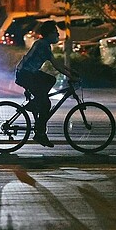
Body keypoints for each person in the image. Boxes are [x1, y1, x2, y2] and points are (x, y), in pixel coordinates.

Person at [15, 20, 78, 148]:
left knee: (50, 80)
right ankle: (40, 133)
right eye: (55, 33)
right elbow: (56, 65)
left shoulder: (44, 44)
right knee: (46, 104)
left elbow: (56, 64)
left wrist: (71, 71)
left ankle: (35, 103)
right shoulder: (42, 45)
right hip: (25, 75)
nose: (58, 35)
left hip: (28, 73)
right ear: (48, 34)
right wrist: (71, 76)